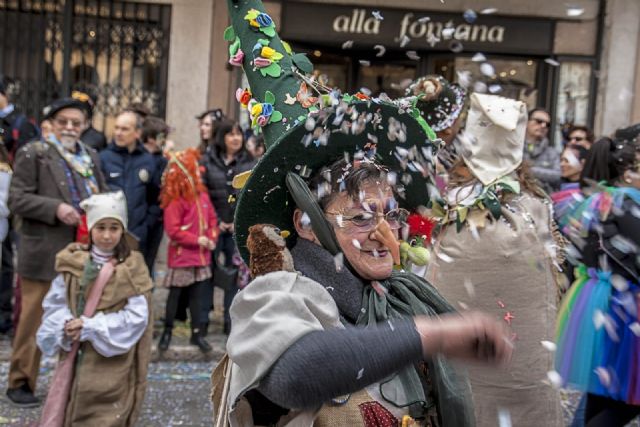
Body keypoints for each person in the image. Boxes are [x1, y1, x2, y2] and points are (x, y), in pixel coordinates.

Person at [212, 2, 512, 425]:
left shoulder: (402, 297)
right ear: (307, 226)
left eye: (391, 216)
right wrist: (431, 334)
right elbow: (296, 371)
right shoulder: (276, 294)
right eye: (361, 218)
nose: (384, 234)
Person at [425, 93, 564, 426]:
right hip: (524, 379)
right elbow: (555, 264)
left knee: (461, 396)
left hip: (459, 364)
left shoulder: (446, 202)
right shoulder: (535, 206)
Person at [6, 97, 107, 406]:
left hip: (82, 251)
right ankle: (21, 381)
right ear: (51, 123)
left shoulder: (90, 155)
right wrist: (56, 208)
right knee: (33, 319)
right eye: (63, 121)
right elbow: (16, 199)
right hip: (44, 250)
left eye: (76, 123)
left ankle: (71, 385)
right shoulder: (33, 153)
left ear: (84, 126)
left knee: (80, 319)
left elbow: (101, 194)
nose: (69, 128)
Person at [36, 191, 153, 426]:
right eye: (100, 228)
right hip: (75, 357)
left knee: (105, 415)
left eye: (114, 228)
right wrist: (66, 323)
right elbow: (55, 303)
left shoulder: (133, 268)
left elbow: (138, 317)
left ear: (123, 231)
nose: (107, 235)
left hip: (112, 365)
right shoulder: (73, 263)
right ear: (89, 229)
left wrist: (92, 327)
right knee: (71, 406)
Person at [555, 137, 640, 427]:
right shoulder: (629, 201)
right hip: (625, 303)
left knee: (603, 392)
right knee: (625, 400)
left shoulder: (598, 199)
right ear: (628, 172)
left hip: (593, 298)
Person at [158, 148, 219, 353]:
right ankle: (167, 332)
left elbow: (211, 219)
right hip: (183, 258)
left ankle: (197, 334)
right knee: (175, 298)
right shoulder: (175, 199)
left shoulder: (202, 195)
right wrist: (198, 240)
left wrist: (212, 237)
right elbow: (173, 230)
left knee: (197, 298)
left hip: (201, 257)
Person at [201, 119, 255, 334]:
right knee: (207, 273)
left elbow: (250, 196)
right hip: (212, 226)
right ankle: (202, 322)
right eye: (230, 134)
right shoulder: (207, 161)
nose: (235, 138)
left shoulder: (249, 163)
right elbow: (202, 195)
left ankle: (230, 323)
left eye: (238, 134)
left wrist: (236, 222)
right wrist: (216, 221)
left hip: (237, 228)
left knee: (236, 276)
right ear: (221, 137)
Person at [100, 109, 162, 262]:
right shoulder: (103, 158)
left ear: (137, 133)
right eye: (117, 128)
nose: (119, 133)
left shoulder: (148, 160)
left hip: (137, 234)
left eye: (125, 129)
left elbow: (155, 197)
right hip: (108, 235)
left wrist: (146, 225)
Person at [140, 115, 169, 274]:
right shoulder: (140, 158)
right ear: (151, 138)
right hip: (139, 216)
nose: (164, 140)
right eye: (161, 136)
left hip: (155, 218)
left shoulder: (162, 160)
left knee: (149, 261)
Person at [523, 107, 561, 193]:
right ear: (526, 122)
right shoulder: (514, 147)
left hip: (543, 198)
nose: (543, 126)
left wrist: (528, 170)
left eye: (547, 124)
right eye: (538, 121)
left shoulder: (552, 152)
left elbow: (557, 175)